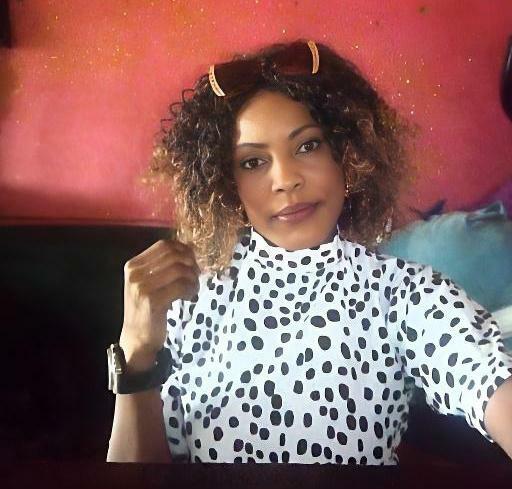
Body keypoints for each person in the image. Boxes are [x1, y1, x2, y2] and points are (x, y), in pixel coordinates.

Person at [106, 39, 512, 465]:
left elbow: (487, 380)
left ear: (348, 156)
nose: (286, 179)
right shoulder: (190, 298)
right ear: (228, 185)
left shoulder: (404, 293)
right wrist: (135, 352)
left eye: (307, 145)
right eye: (253, 162)